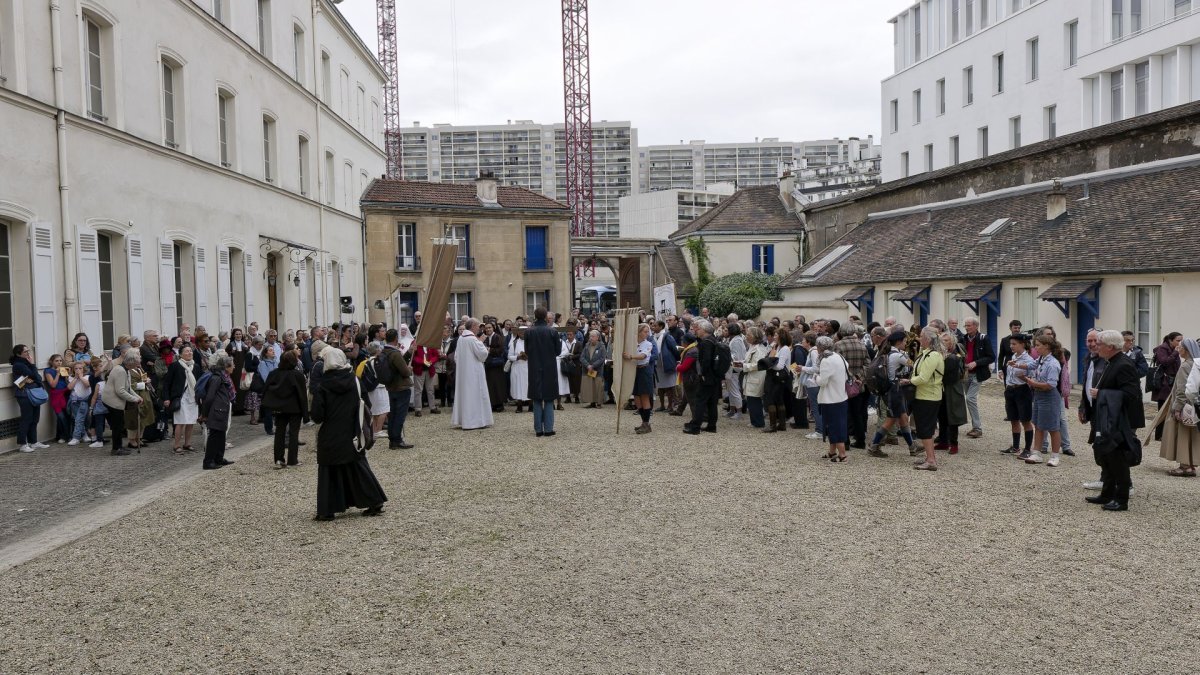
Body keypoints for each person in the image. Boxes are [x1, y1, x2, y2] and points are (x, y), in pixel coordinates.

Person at [311, 347, 388, 521]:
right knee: (357, 468)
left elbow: (317, 415)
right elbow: (366, 403)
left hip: (330, 434)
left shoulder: (323, 385)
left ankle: (327, 510)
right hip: (352, 430)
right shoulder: (354, 381)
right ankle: (374, 501)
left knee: (329, 472)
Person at [1084, 330, 1145, 511]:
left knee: (1117, 458)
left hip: (1120, 420)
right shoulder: (1111, 361)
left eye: (1100, 343)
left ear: (1110, 347)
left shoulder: (1124, 364)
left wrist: (1101, 393)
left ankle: (1121, 499)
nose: (1096, 346)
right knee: (1107, 456)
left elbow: (1131, 394)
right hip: (1109, 416)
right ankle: (1107, 494)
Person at [1151, 337, 1200, 477]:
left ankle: (1185, 467)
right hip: (1194, 405)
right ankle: (1191, 464)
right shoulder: (1196, 364)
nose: (1179, 349)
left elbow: (1182, 389)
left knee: (1182, 435)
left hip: (1184, 405)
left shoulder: (1186, 366)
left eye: (1181, 347)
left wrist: (1177, 408)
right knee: (1193, 435)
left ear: (1187, 350)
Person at [902, 328, 945, 471]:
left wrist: (908, 381)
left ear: (928, 339)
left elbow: (923, 378)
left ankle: (931, 460)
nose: (919, 339)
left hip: (928, 396)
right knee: (926, 428)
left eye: (921, 336)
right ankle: (929, 457)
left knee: (925, 429)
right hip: (924, 395)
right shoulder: (926, 354)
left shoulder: (932, 356)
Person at [869, 331, 917, 457]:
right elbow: (913, 366)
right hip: (894, 391)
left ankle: (912, 447)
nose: (906, 344)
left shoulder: (888, 353)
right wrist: (910, 354)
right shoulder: (898, 356)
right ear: (899, 342)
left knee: (903, 419)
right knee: (891, 420)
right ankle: (874, 446)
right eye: (905, 341)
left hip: (891, 390)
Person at [262, 350, 309, 469]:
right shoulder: (297, 375)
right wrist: (306, 415)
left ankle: (279, 459)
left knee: (279, 433)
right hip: (294, 408)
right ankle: (292, 460)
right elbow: (302, 395)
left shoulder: (274, 373)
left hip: (279, 407)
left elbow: (266, 389)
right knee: (293, 434)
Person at [1023, 335, 1065, 467]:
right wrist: (1017, 365)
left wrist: (1031, 382)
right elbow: (1031, 364)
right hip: (1039, 395)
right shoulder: (1041, 359)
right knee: (1038, 425)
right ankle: (1036, 452)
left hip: (1050, 396)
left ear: (1046, 346)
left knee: (1053, 427)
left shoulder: (1053, 363)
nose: (1035, 348)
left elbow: (1050, 385)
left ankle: (1055, 456)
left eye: (1038, 345)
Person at [450, 319, 494, 430]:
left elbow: (456, 357)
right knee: (475, 396)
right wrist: (481, 343)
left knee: (466, 396)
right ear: (473, 326)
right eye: (478, 326)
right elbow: (483, 355)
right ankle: (475, 422)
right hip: (474, 373)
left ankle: (466, 420)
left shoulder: (461, 338)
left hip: (463, 374)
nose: (479, 328)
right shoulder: (473, 339)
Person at [524, 307, 562, 437]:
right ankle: (549, 428)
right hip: (549, 368)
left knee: (537, 399)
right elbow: (558, 351)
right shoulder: (552, 332)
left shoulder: (529, 332)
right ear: (546, 317)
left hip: (534, 368)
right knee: (549, 399)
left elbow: (527, 351)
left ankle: (538, 429)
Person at [833, 325, 869, 449]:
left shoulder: (838, 345)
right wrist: (858, 377)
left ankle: (845, 441)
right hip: (858, 384)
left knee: (844, 413)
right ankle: (860, 440)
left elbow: (837, 365)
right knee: (857, 413)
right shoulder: (862, 345)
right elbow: (867, 365)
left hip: (843, 384)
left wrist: (850, 377)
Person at [101, 351, 143, 455]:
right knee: (117, 426)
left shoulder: (125, 369)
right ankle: (116, 449)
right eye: (136, 363)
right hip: (112, 402)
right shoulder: (120, 371)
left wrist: (137, 397)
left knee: (119, 425)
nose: (138, 365)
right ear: (131, 362)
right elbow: (120, 391)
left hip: (115, 401)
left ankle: (118, 447)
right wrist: (134, 399)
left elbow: (127, 387)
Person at [1001, 334, 1037, 458]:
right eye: (1011, 344)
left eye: (1014, 344)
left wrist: (1024, 378)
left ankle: (1027, 449)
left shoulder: (1029, 360)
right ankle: (1016, 447)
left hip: (1022, 390)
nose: (1011, 346)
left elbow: (1033, 378)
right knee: (1013, 419)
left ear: (1022, 344)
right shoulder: (1013, 357)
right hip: (1010, 390)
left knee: (1025, 420)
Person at [815, 335, 849, 462]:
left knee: (834, 426)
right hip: (841, 396)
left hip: (830, 399)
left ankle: (842, 454)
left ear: (820, 347)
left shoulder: (825, 360)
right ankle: (832, 452)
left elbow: (822, 382)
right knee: (836, 424)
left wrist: (815, 377)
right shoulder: (839, 356)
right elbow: (846, 371)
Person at [163, 344, 203, 455]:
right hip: (180, 397)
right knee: (180, 422)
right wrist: (166, 398)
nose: (189, 353)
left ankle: (187, 444)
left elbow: (199, 383)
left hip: (192, 397)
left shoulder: (196, 366)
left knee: (191, 421)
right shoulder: (175, 366)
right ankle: (176, 445)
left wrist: (200, 397)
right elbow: (167, 383)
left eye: (190, 351)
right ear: (180, 354)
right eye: (186, 351)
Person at [960, 317, 994, 439]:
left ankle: (977, 428)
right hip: (965, 374)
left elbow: (991, 357)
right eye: (965, 326)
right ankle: (974, 427)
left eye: (969, 325)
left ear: (976, 326)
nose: (967, 328)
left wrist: (976, 363)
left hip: (977, 374)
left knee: (970, 398)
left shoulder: (984, 338)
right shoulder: (963, 339)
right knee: (968, 399)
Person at [683, 319, 719, 435]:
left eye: (698, 329)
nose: (696, 331)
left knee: (700, 400)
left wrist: (703, 374)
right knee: (712, 402)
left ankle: (695, 427)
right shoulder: (713, 340)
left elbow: (706, 360)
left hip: (707, 376)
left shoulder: (706, 342)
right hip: (715, 375)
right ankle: (711, 426)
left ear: (704, 330)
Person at [935, 331, 968, 455]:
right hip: (942, 387)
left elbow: (950, 375)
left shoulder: (955, 356)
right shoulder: (939, 354)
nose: (944, 343)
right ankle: (943, 441)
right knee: (941, 414)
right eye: (942, 341)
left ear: (952, 342)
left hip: (952, 388)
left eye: (947, 340)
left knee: (953, 416)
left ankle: (954, 444)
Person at [11, 345, 47, 452]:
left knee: (35, 419)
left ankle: (34, 442)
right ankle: (22, 444)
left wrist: (33, 377)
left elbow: (37, 378)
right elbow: (35, 376)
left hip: (33, 393)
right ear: (18, 354)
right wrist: (32, 365)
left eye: (28, 351)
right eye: (25, 351)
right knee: (26, 419)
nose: (28, 353)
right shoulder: (19, 364)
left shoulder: (25, 364)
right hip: (24, 394)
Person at [383, 329, 415, 449]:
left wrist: (409, 352)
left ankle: (392, 440)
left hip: (391, 386)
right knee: (399, 415)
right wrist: (409, 369)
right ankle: (397, 439)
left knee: (393, 415)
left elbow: (398, 363)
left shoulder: (384, 351)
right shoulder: (395, 353)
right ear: (396, 338)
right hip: (401, 387)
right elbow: (405, 371)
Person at [623, 322, 656, 434]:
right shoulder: (634, 344)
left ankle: (646, 424)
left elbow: (643, 356)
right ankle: (644, 422)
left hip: (644, 370)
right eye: (645, 331)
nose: (647, 334)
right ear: (639, 332)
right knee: (637, 398)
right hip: (635, 370)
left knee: (644, 397)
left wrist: (631, 356)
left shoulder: (648, 344)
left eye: (647, 332)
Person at [1151, 332, 1183, 441]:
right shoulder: (1162, 349)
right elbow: (1164, 362)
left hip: (1172, 382)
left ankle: (1166, 434)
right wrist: (1175, 353)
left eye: (1181, 340)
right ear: (1170, 340)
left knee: (1171, 408)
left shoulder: (1175, 350)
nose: (1180, 343)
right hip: (1164, 384)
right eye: (1178, 340)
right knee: (1162, 409)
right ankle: (1158, 435)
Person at [760, 329, 793, 433]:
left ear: (781, 336)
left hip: (777, 377)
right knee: (779, 400)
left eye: (776, 334)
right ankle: (781, 424)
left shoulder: (784, 349)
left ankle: (773, 425)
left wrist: (769, 364)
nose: (774, 336)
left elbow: (779, 366)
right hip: (775, 377)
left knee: (771, 400)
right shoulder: (777, 347)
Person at [741, 326, 771, 429]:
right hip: (750, 376)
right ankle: (754, 421)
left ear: (755, 336)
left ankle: (758, 422)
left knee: (754, 399)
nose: (746, 337)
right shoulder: (751, 346)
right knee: (751, 399)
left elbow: (758, 365)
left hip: (756, 376)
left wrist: (743, 366)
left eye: (749, 335)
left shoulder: (759, 349)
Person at [44, 354, 71, 443]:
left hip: (66, 393)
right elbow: (53, 385)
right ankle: (65, 436)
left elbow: (67, 383)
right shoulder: (48, 371)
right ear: (51, 362)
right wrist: (58, 374)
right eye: (56, 361)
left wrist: (67, 375)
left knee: (67, 415)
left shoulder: (63, 369)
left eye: (60, 361)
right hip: (56, 395)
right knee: (60, 416)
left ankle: (62, 436)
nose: (59, 363)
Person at [482, 322, 507, 413]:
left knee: (498, 384)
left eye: (489, 328)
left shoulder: (498, 337)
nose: (488, 329)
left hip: (497, 364)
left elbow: (501, 350)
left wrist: (489, 350)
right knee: (490, 385)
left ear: (493, 328)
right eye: (486, 328)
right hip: (489, 364)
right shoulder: (485, 338)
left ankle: (500, 404)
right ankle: (493, 403)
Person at [409, 342, 440, 416]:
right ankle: (418, 409)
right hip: (419, 369)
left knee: (430, 390)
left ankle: (432, 407)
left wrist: (431, 361)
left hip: (429, 370)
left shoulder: (430, 342)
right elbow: (413, 357)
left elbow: (436, 355)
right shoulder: (415, 342)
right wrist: (423, 361)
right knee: (418, 390)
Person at [580, 330, 607, 409]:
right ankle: (591, 402)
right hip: (587, 369)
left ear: (597, 337)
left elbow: (602, 358)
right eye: (590, 336)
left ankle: (599, 403)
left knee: (598, 386)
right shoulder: (586, 345)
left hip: (597, 370)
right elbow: (582, 357)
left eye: (592, 336)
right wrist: (588, 365)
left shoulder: (602, 346)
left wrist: (593, 365)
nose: (590, 338)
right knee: (590, 386)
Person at [256, 345, 279, 435]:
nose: (273, 352)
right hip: (268, 389)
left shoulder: (276, 362)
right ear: (265, 353)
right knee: (268, 410)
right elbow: (266, 378)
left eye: (273, 350)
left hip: (277, 388)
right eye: (270, 350)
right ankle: (269, 429)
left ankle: (279, 426)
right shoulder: (262, 363)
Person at [725, 323, 746, 421]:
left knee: (734, 389)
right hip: (731, 367)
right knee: (730, 390)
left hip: (734, 367)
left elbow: (736, 356)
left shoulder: (737, 341)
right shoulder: (734, 339)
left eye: (727, 330)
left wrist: (726, 356)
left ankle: (739, 411)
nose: (725, 331)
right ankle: (732, 410)